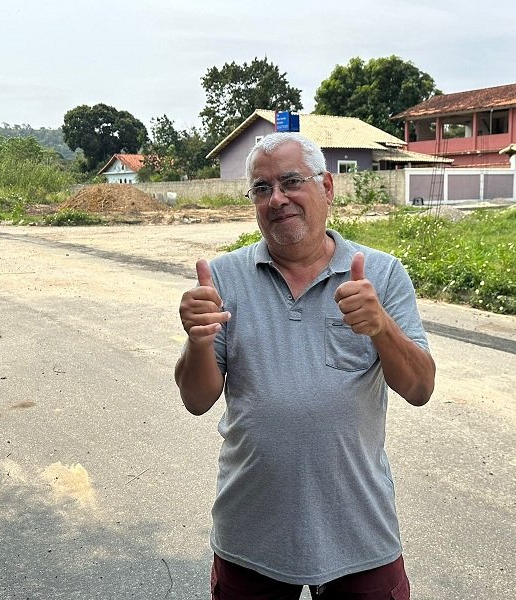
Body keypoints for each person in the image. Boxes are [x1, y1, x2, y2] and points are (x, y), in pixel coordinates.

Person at [175, 132, 435, 600]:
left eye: (291, 181)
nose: (277, 199)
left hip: (360, 532)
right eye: (262, 188)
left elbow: (420, 388)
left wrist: (381, 327)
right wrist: (198, 339)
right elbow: (196, 400)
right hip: (251, 532)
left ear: (327, 187)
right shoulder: (225, 277)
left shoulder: (380, 273)